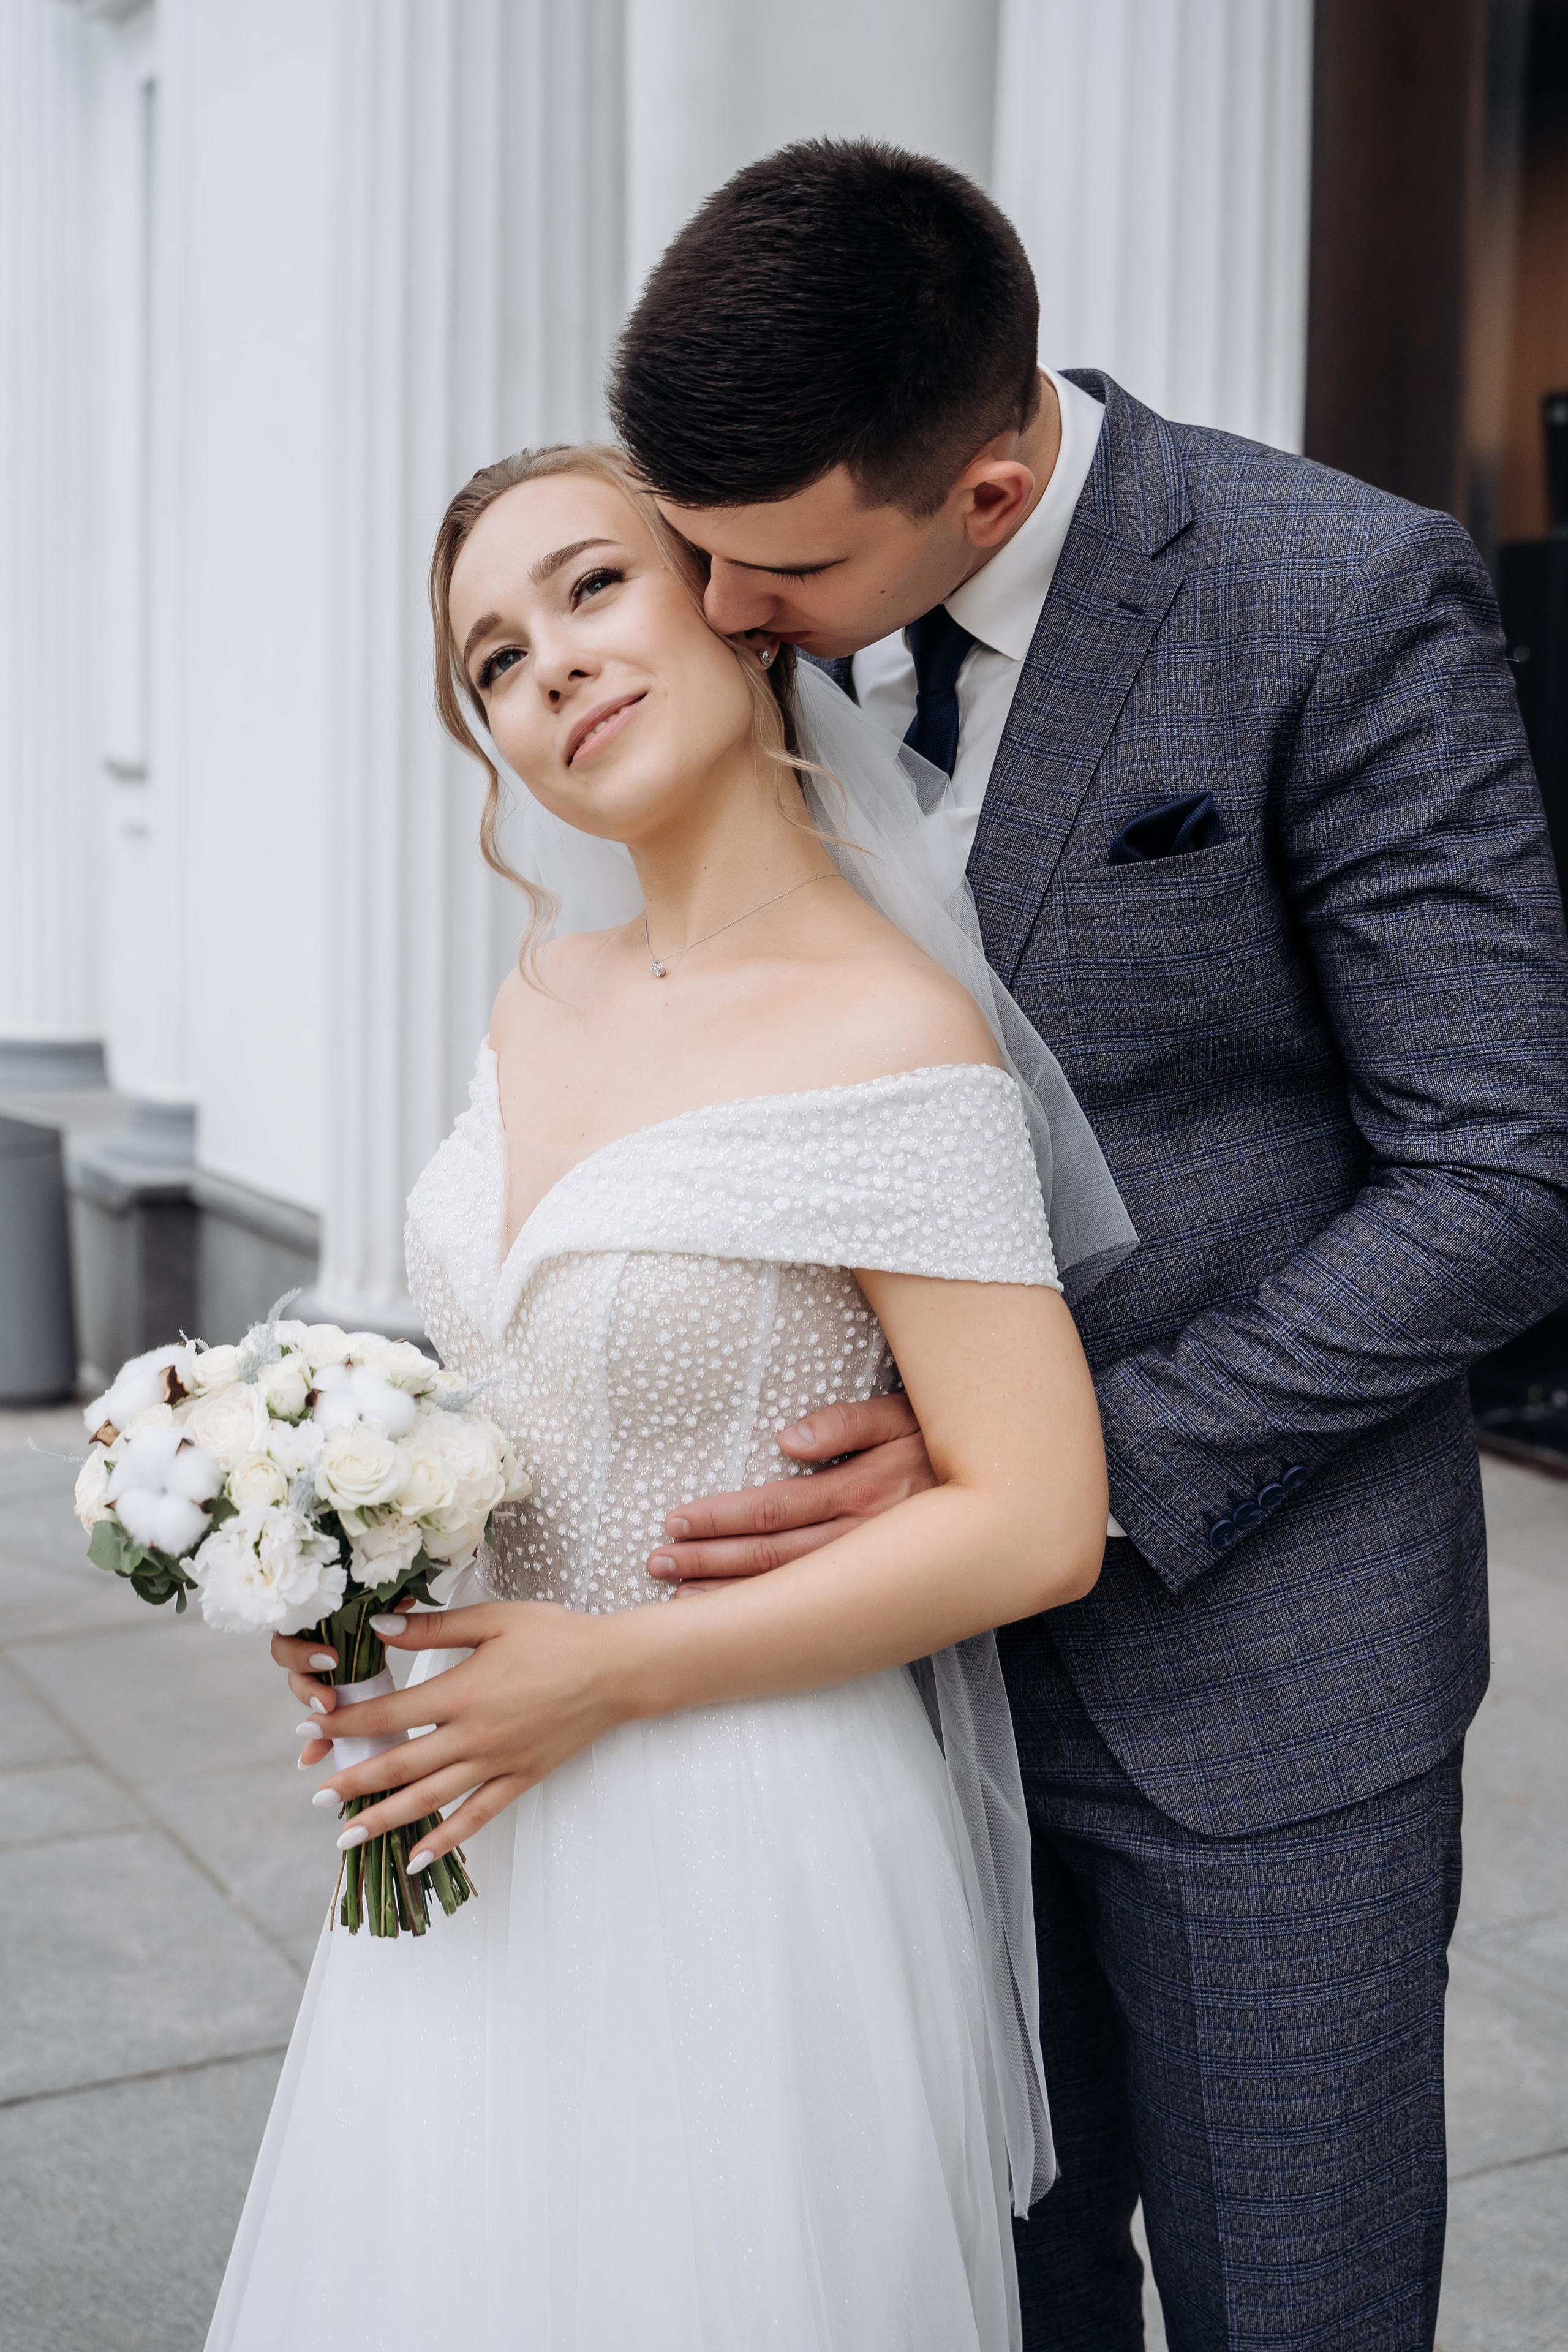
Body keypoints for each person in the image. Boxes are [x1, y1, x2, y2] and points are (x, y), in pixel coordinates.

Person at [598, 142, 1568, 2350]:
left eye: (778, 568)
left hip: (1259, 1677)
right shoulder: (739, 613)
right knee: (972, 2295)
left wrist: (1051, 1473)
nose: (720, 619)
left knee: (1286, 2307)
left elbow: (1507, 1173)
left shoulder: (1336, 593)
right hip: (878, 1711)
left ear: (994, 490)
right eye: (696, 555)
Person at [208, 442, 1128, 2352]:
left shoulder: (889, 1020)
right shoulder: (535, 993)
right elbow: (509, 1384)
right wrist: (341, 1572)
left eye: (591, 589)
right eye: (489, 660)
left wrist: (608, 1673)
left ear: (726, 604)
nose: (543, 665)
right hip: (479, 1804)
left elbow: (1035, 1521)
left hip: (750, 1824)